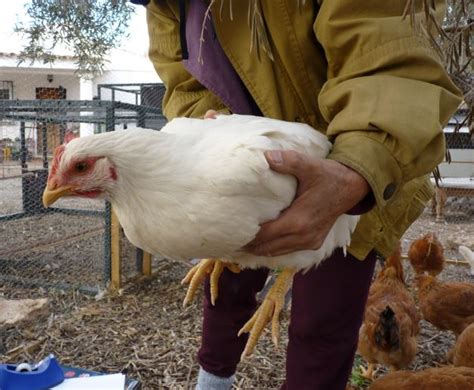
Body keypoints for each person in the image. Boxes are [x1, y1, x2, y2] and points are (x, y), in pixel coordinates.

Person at [134, 1, 462, 389]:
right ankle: (212, 382)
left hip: (348, 156)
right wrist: (216, 131)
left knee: (321, 320)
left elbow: (387, 51)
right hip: (248, 167)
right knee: (223, 284)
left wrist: (357, 168)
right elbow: (185, 88)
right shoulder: (161, 4)